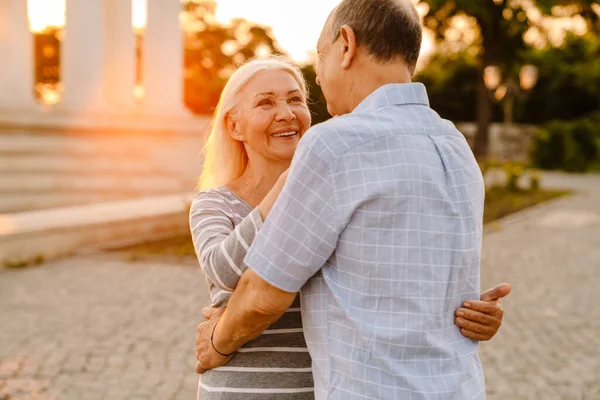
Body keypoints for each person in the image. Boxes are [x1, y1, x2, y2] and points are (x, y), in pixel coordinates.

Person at [191, 55, 510, 399]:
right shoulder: (215, 203)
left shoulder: (336, 192)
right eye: (266, 103)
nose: (286, 113)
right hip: (245, 390)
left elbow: (388, 278)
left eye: (295, 99)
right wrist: (291, 184)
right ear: (235, 126)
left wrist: (469, 311)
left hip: (328, 389)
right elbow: (224, 270)